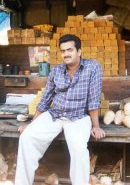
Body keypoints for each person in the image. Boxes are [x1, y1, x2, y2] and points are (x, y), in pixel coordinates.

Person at [15, 34, 106, 185]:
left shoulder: (92, 67)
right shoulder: (56, 71)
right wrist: (31, 124)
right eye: (63, 51)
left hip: (78, 118)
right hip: (54, 115)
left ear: (79, 51)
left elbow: (94, 99)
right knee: (27, 138)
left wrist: (96, 126)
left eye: (70, 50)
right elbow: (45, 100)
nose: (66, 54)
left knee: (79, 150)